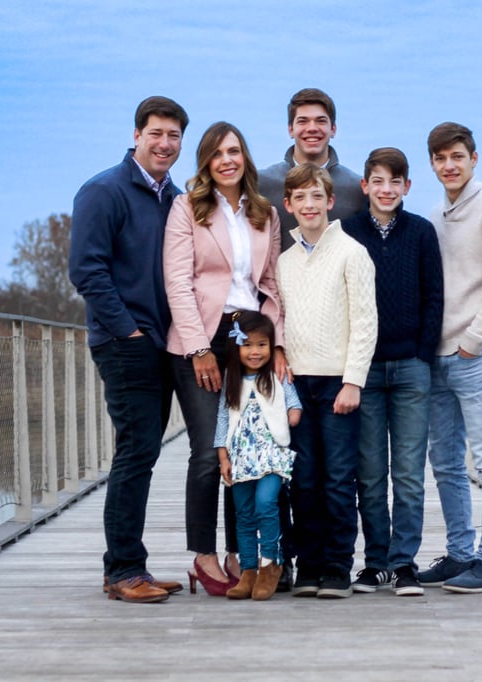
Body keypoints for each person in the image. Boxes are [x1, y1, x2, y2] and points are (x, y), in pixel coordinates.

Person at [68, 95, 189, 603]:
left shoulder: (175, 197)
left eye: (174, 136)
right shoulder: (103, 191)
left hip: (163, 343)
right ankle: (123, 572)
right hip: (126, 344)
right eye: (156, 133)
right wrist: (129, 332)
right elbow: (87, 271)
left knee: (142, 452)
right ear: (137, 134)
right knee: (136, 451)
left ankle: (126, 564)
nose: (164, 144)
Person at [163, 121, 286, 597]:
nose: (227, 160)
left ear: (245, 157)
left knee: (246, 450)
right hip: (200, 336)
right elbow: (177, 282)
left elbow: (271, 282)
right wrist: (198, 348)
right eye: (217, 154)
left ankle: (243, 554)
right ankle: (204, 555)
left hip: (249, 337)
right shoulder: (186, 209)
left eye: (234, 151)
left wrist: (274, 342)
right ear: (206, 163)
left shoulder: (264, 214)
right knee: (206, 455)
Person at [418, 122, 482, 594]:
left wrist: (474, 340)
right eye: (440, 158)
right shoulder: (435, 215)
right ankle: (461, 555)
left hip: (477, 354)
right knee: (446, 463)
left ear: (473, 158)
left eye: (457, 156)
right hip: (438, 356)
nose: (449, 165)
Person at [341, 148, 444, 597]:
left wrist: (422, 354)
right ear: (365, 186)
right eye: (378, 181)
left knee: (407, 471)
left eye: (395, 182)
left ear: (407, 187)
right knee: (369, 472)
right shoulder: (345, 232)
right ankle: (375, 562)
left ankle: (404, 563)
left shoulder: (422, 232)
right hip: (362, 370)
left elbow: (434, 297)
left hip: (410, 369)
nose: (387, 190)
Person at [276, 163, 377, 599]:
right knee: (304, 478)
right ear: (289, 205)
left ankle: (337, 564)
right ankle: (309, 564)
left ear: (330, 201)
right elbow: (279, 318)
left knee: (338, 476)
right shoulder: (284, 260)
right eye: (300, 198)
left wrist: (353, 380)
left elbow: (365, 322)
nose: (309, 204)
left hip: (338, 382)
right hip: (298, 382)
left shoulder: (352, 252)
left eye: (317, 196)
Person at [214, 311, 302, 601]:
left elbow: (293, 401)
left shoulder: (276, 374)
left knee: (266, 504)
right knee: (244, 514)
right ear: (237, 348)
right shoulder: (232, 379)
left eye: (262, 345)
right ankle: (248, 570)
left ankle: (270, 565)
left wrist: (293, 413)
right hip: (240, 456)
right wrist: (223, 457)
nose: (255, 352)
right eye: (248, 345)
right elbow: (223, 420)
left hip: (271, 453)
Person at [258, 87, 366, 251]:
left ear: (333, 130)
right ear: (290, 130)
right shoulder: (262, 184)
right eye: (303, 121)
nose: (312, 128)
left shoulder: (357, 189)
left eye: (321, 121)